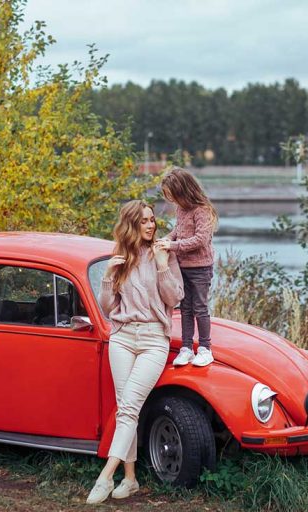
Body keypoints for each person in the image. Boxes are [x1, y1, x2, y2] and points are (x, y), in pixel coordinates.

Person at [86, 200, 184, 505]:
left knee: (129, 408)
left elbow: (175, 298)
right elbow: (108, 308)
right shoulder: (121, 258)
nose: (151, 225)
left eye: (152, 220)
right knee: (124, 406)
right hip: (122, 337)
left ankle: (105, 475)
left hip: (154, 339)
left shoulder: (163, 253)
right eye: (144, 221)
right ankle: (129, 479)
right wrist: (107, 276)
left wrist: (162, 265)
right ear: (131, 224)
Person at [154, 167, 217, 367]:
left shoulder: (202, 210)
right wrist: (166, 239)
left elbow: (200, 239)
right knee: (186, 308)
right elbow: (178, 230)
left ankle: (205, 348)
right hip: (183, 267)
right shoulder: (181, 209)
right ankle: (187, 348)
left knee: (200, 307)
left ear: (184, 191)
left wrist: (173, 246)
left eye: (173, 196)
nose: (172, 200)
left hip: (200, 268)